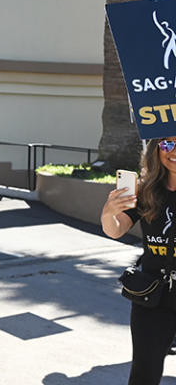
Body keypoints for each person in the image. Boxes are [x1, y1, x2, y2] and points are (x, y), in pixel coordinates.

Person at [101, 136, 176, 385]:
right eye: (167, 144)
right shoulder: (145, 191)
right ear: (156, 149)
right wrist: (109, 212)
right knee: (144, 373)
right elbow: (116, 229)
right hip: (153, 297)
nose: (173, 151)